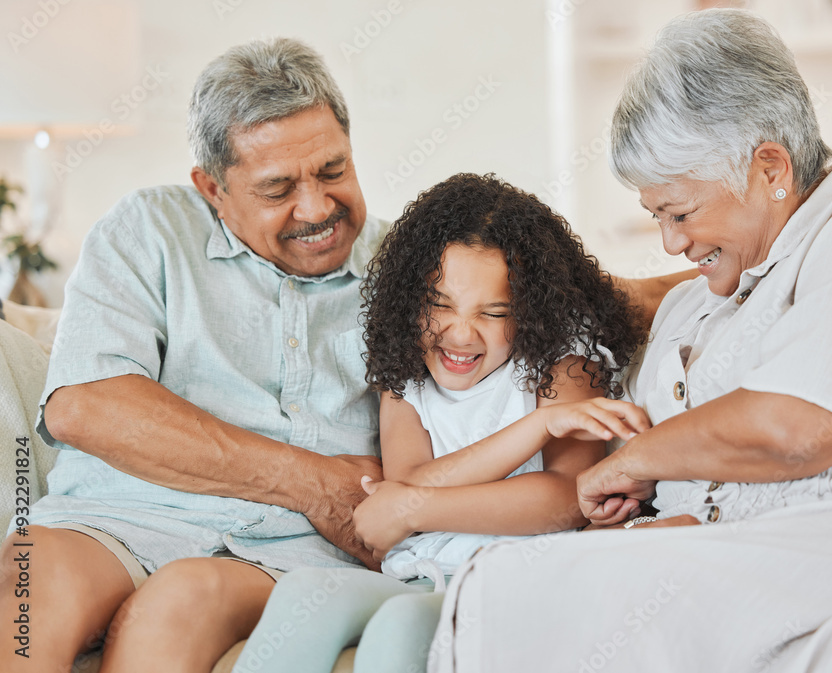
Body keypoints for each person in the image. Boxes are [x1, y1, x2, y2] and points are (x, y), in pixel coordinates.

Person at [428, 9, 832, 673]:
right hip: (755, 567)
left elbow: (796, 427)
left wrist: (631, 461)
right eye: (656, 217)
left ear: (770, 167)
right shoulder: (686, 309)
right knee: (511, 578)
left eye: (681, 212)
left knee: (528, 586)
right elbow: (692, 498)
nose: (672, 241)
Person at [0, 38, 390, 672]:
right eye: (277, 188)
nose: (317, 208)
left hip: (292, 550)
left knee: (180, 601)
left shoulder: (410, 263)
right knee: (25, 589)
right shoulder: (148, 230)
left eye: (332, 170)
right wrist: (312, 481)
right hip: (114, 516)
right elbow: (85, 407)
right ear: (213, 188)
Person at [235, 172, 651, 673]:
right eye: (439, 304)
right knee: (306, 591)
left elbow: (566, 499)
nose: (459, 333)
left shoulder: (561, 365)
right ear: (411, 299)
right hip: (419, 569)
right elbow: (409, 482)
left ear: (534, 313)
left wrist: (414, 509)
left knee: (402, 626)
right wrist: (534, 431)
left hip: (511, 574)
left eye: (493, 312)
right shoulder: (404, 373)